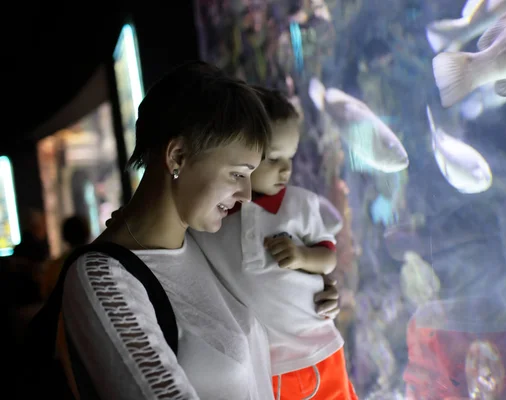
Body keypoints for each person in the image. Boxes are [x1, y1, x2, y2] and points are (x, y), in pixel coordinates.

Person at [60, 61, 339, 400]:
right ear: (177, 156)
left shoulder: (204, 243)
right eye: (237, 174)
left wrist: (305, 294)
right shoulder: (104, 279)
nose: (248, 195)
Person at [191, 86, 357, 399]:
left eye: (290, 158)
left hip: (316, 346)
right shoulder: (213, 219)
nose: (285, 169)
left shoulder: (301, 205)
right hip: (264, 366)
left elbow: (328, 258)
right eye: (273, 158)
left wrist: (301, 256)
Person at [39, 215, 90, 300]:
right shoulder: (101, 262)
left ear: (64, 236)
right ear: (87, 233)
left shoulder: (54, 267)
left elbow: (46, 295)